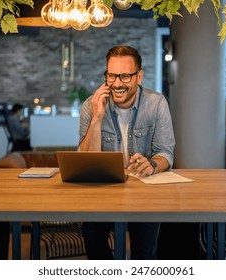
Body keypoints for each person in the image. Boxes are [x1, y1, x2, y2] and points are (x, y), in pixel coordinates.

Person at [79, 46, 175, 260]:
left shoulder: (156, 104)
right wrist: (96, 119)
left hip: (145, 193)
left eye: (124, 76)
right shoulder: (91, 106)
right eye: (111, 76)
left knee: (145, 250)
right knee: (92, 235)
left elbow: (165, 153)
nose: (117, 83)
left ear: (139, 76)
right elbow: (86, 162)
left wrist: (151, 165)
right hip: (103, 193)